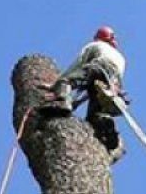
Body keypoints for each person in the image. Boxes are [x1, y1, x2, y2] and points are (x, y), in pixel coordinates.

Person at [46, 26, 129, 160]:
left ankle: (61, 102)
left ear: (100, 37)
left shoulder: (95, 45)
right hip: (114, 82)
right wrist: (76, 102)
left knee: (66, 81)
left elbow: (78, 64)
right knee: (95, 115)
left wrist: (57, 85)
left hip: (99, 67)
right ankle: (105, 124)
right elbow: (95, 89)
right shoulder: (121, 58)